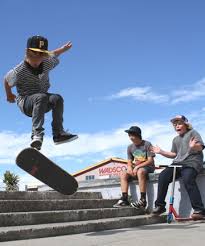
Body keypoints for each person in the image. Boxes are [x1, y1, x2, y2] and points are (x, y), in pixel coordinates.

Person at [4, 35, 78, 150]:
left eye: (41, 55)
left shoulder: (47, 62)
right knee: (41, 97)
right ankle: (37, 135)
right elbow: (6, 79)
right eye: (34, 54)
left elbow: (54, 54)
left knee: (57, 98)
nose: (37, 59)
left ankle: (58, 134)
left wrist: (62, 49)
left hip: (42, 103)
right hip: (26, 103)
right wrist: (9, 95)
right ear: (27, 52)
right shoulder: (19, 71)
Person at [151, 115, 205, 220]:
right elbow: (173, 154)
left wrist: (194, 146)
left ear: (186, 124)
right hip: (178, 162)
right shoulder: (175, 139)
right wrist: (161, 152)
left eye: (179, 123)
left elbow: (200, 147)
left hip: (192, 161)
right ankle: (160, 206)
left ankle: (199, 210)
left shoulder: (193, 133)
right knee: (163, 176)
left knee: (188, 178)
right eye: (175, 125)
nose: (177, 126)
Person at [113, 126, 155, 209]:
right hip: (137, 167)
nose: (130, 137)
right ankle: (125, 199)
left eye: (132, 135)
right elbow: (129, 161)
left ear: (138, 135)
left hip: (148, 167)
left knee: (140, 171)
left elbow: (150, 160)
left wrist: (137, 167)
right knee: (123, 173)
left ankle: (143, 200)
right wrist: (129, 168)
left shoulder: (147, 144)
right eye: (129, 135)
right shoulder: (130, 147)